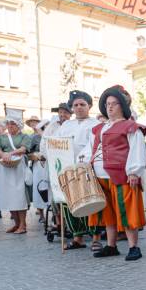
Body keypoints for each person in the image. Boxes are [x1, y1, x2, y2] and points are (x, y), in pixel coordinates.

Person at [82, 86, 146, 261]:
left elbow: (137, 149)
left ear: (122, 106)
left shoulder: (131, 126)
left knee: (126, 211)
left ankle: (133, 247)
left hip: (122, 175)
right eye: (107, 104)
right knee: (107, 212)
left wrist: (134, 172)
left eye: (114, 104)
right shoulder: (98, 128)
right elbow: (90, 149)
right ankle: (111, 246)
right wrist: (85, 164)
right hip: (100, 176)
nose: (109, 107)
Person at [57, 90, 100, 249]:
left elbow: (95, 145)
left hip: (87, 168)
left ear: (89, 106)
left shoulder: (96, 124)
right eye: (76, 105)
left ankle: (95, 237)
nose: (79, 107)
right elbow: (57, 143)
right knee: (71, 202)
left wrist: (84, 161)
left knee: (91, 202)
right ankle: (78, 237)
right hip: (68, 169)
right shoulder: (66, 125)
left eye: (82, 104)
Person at [0, 117, 30, 234]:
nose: (10, 126)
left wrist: (9, 153)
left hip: (18, 167)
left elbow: (23, 149)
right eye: (8, 124)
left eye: (13, 124)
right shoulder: (1, 137)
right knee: (8, 195)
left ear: (18, 125)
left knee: (19, 195)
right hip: (4, 167)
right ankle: (16, 224)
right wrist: (3, 155)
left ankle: (23, 225)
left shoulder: (24, 136)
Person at [40, 103, 71, 233]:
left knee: (69, 193)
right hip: (54, 164)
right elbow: (44, 143)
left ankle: (70, 223)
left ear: (70, 114)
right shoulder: (52, 126)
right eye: (61, 112)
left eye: (65, 112)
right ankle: (59, 222)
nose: (62, 115)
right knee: (56, 193)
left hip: (69, 164)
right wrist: (48, 156)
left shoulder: (72, 125)